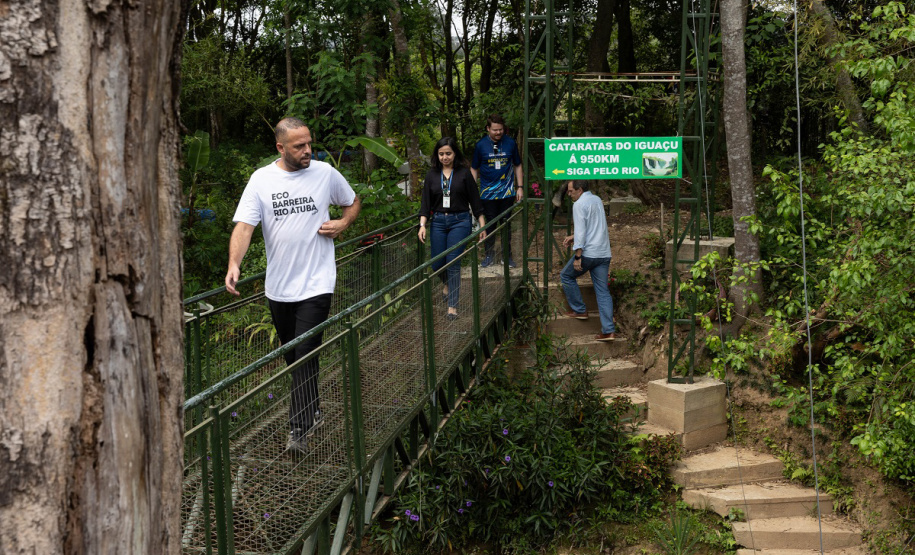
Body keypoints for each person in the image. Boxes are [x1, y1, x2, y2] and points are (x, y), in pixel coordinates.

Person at [225, 117, 361, 453]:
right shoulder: (261, 180)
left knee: (303, 354)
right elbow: (244, 227)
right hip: (279, 288)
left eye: (309, 143)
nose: (307, 151)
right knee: (296, 356)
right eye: (299, 146)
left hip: (317, 282)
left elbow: (353, 201)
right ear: (280, 147)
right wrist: (234, 263)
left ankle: (298, 431)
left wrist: (343, 222)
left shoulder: (325, 173)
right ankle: (313, 409)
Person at [418, 137, 487, 320]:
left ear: (454, 153)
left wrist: (482, 225)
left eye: (448, 153)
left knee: (453, 261)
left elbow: (475, 200)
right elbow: (425, 203)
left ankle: (452, 306)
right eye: (441, 154)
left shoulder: (464, 173)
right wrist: (422, 225)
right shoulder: (432, 175)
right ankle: (448, 283)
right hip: (439, 221)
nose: (445, 157)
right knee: (436, 263)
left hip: (460, 221)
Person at [560, 180, 617, 341]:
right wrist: (574, 237)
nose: (569, 194)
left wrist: (578, 256)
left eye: (571, 191)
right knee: (602, 291)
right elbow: (594, 226)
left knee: (566, 275)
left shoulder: (578, 205)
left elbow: (581, 230)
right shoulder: (597, 199)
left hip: (589, 253)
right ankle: (608, 330)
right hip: (604, 252)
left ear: (579, 190)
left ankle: (579, 309)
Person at [471, 114, 523, 268]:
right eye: (495, 130)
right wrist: (473, 192)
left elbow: (517, 164)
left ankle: (507, 257)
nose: (498, 133)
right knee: (490, 225)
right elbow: (474, 168)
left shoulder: (510, 143)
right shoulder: (481, 145)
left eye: (500, 130)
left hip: (507, 193)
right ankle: (489, 255)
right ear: (488, 129)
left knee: (506, 225)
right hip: (487, 194)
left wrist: (520, 187)